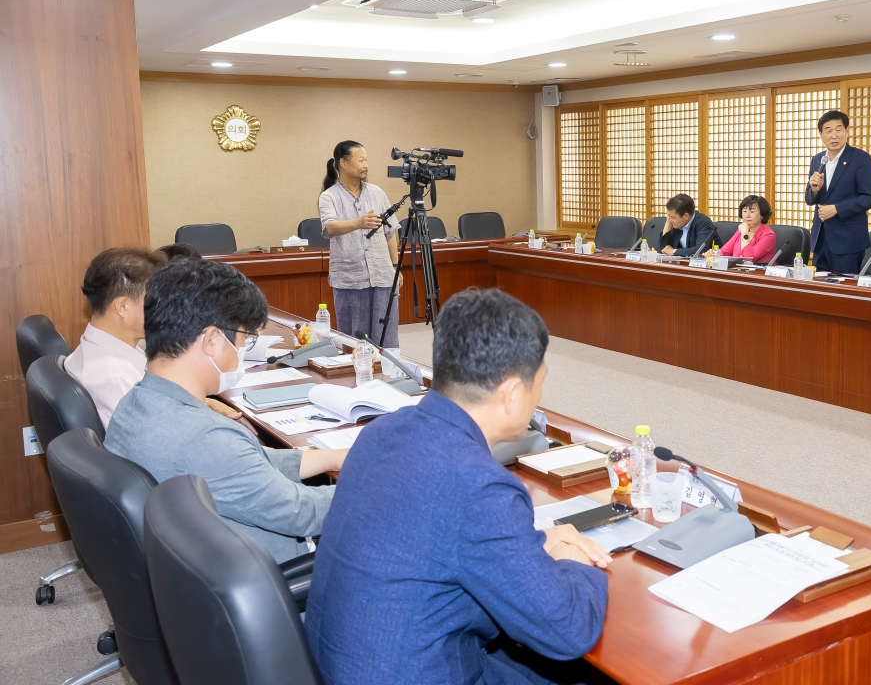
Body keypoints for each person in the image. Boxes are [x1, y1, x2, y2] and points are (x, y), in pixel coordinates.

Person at [305, 289, 610, 685]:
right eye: (539, 383)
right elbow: (569, 630)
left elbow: (440, 540)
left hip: (337, 664)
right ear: (511, 394)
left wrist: (531, 546)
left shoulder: (383, 431)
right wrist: (574, 562)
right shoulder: (480, 487)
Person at [104, 258, 346, 563]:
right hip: (271, 576)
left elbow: (247, 464)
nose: (242, 349)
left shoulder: (135, 403)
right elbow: (304, 513)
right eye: (244, 338)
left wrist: (333, 457)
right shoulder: (206, 438)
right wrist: (383, 481)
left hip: (192, 568)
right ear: (212, 340)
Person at [65, 247, 246, 426]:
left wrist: (205, 403)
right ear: (123, 307)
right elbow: (165, 436)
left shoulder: (100, 349)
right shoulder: (118, 381)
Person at [319, 140, 402, 347]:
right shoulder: (329, 196)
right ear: (343, 163)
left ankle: (387, 368)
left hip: (382, 275)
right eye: (361, 160)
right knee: (355, 340)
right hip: (350, 278)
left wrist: (395, 266)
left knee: (387, 337)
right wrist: (358, 223)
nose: (366, 165)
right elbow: (330, 227)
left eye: (367, 160)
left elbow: (391, 232)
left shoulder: (377, 192)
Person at [805, 110, 871, 274]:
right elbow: (809, 199)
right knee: (820, 285)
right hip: (821, 237)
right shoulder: (818, 159)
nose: (834, 135)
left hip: (848, 240)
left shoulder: (860, 158)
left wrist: (837, 209)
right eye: (828, 131)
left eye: (838, 130)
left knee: (845, 286)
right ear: (821, 134)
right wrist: (815, 190)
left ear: (847, 131)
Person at [709, 195, 777, 263]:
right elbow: (724, 252)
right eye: (744, 211)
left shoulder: (768, 235)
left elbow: (748, 257)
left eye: (752, 212)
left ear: (762, 215)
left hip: (758, 269)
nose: (747, 215)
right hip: (737, 269)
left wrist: (745, 234)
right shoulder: (741, 231)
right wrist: (714, 253)